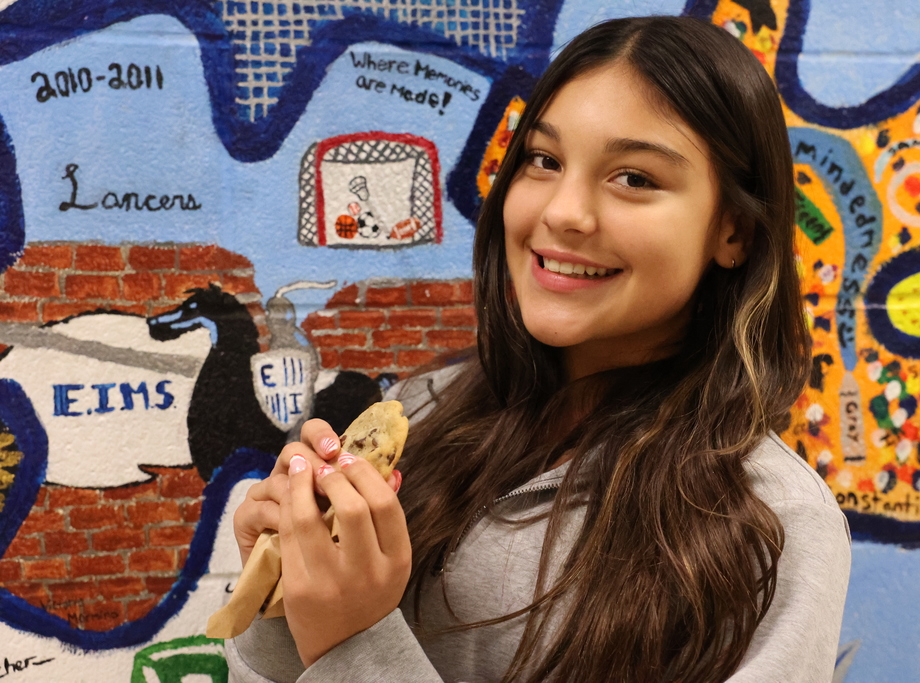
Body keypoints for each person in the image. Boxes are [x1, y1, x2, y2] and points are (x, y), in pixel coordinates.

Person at [226, 15, 851, 683]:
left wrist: (356, 641)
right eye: (544, 160)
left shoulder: (775, 523)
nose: (563, 212)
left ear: (734, 231)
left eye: (635, 178)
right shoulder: (426, 410)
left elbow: (348, 649)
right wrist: (283, 589)